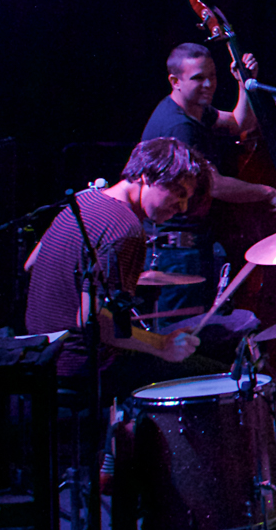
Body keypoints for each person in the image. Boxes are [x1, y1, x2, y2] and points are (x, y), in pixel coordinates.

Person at [24, 138, 217, 398]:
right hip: (84, 365)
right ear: (147, 176)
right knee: (216, 377)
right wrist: (162, 344)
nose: (182, 208)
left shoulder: (82, 203)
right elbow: (91, 320)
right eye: (179, 194)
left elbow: (31, 263)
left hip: (43, 353)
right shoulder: (126, 229)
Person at [141, 42, 276, 318]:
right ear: (174, 81)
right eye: (198, 78)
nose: (209, 84)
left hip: (189, 245)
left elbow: (239, 123)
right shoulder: (178, 126)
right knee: (180, 334)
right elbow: (215, 184)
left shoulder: (194, 110)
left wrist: (244, 83)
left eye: (212, 75)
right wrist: (268, 193)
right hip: (174, 251)